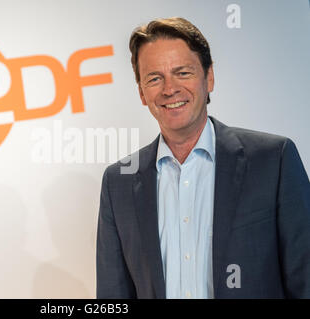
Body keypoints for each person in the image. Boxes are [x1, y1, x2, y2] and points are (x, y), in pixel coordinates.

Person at [96, 17, 310, 299]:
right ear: (141, 93)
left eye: (182, 73)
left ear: (209, 77)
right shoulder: (118, 182)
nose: (169, 89)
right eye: (154, 78)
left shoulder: (274, 160)